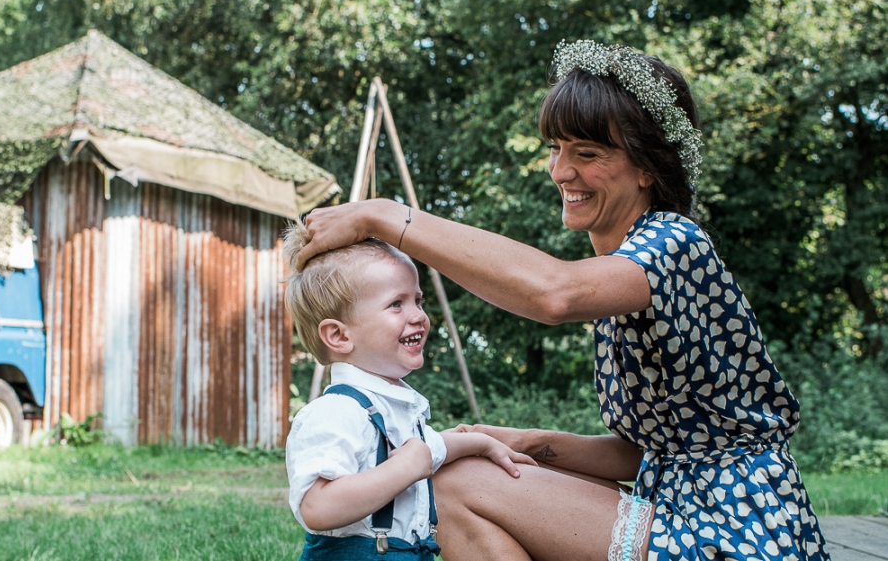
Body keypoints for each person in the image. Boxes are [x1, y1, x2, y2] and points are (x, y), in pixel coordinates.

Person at [294, 39, 832, 561]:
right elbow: (649, 453)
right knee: (483, 464)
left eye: (588, 153)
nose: (562, 170)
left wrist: (388, 215)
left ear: (648, 168)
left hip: (737, 527)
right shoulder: (627, 271)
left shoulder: (673, 242)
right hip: (687, 504)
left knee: (458, 482)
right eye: (556, 149)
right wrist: (521, 440)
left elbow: (554, 293)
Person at [282, 224, 536, 561]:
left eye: (418, 300)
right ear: (339, 336)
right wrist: (404, 469)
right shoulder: (337, 412)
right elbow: (317, 506)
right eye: (396, 305)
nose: (419, 315)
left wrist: (483, 443)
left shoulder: (395, 405)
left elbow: (431, 449)